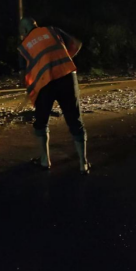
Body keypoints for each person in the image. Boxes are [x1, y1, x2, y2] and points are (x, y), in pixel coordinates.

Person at [17, 17, 90, 175]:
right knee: (75, 120)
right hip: (66, 76)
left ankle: (45, 160)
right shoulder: (52, 30)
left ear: (24, 30)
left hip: (44, 84)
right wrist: (64, 59)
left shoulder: (24, 46)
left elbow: (23, 75)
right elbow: (76, 44)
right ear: (36, 25)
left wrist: (30, 85)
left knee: (41, 121)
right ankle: (83, 163)